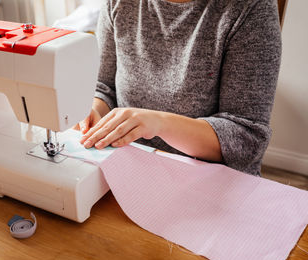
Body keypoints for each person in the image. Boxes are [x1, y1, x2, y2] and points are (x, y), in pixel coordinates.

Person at [75, 0, 282, 176]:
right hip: (133, 168)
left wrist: (159, 123)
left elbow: (247, 137)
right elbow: (104, 86)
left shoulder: (251, 8)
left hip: (212, 184)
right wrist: (92, 110)